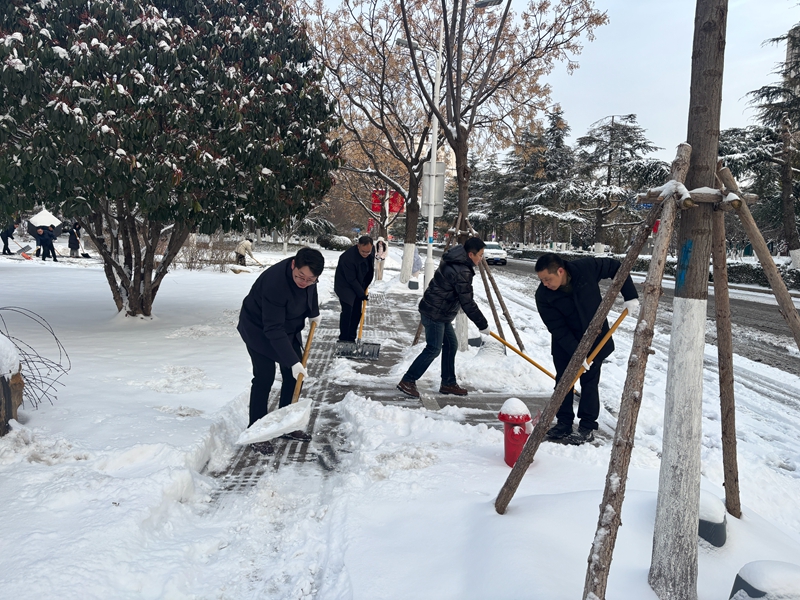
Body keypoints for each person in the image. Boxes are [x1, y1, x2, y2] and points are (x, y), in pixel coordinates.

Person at [534, 253, 639, 445]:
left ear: (560, 270)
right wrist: (577, 353)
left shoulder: (586, 268)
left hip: (596, 340)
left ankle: (587, 426)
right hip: (565, 343)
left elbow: (616, 266)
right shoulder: (543, 296)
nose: (545, 284)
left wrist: (630, 295)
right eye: (542, 280)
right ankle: (564, 423)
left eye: (548, 279)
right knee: (564, 381)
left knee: (590, 382)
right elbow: (557, 328)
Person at [237, 247, 324, 454]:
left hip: (287, 328)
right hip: (259, 329)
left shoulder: (309, 277)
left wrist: (313, 312)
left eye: (310, 279)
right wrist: (292, 361)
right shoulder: (275, 283)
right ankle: (256, 431)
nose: (303, 282)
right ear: (293, 264)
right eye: (300, 277)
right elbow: (272, 328)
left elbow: (311, 290)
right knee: (264, 376)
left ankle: (287, 424)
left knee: (294, 377)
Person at [397, 237, 490, 398]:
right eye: (480, 255)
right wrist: (483, 324)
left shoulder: (456, 260)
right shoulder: (461, 270)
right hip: (435, 313)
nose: (481, 258)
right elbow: (467, 302)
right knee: (433, 348)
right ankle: (408, 380)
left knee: (451, 345)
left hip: (440, 312)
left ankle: (448, 382)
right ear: (470, 254)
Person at [334, 235, 374, 342]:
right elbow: (351, 279)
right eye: (363, 251)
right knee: (348, 311)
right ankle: (343, 339)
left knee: (357, 313)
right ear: (358, 246)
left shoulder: (370, 251)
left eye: (368, 252)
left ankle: (351, 339)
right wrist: (361, 293)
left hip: (359, 284)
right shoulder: (347, 258)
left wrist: (364, 285)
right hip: (345, 285)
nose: (365, 254)